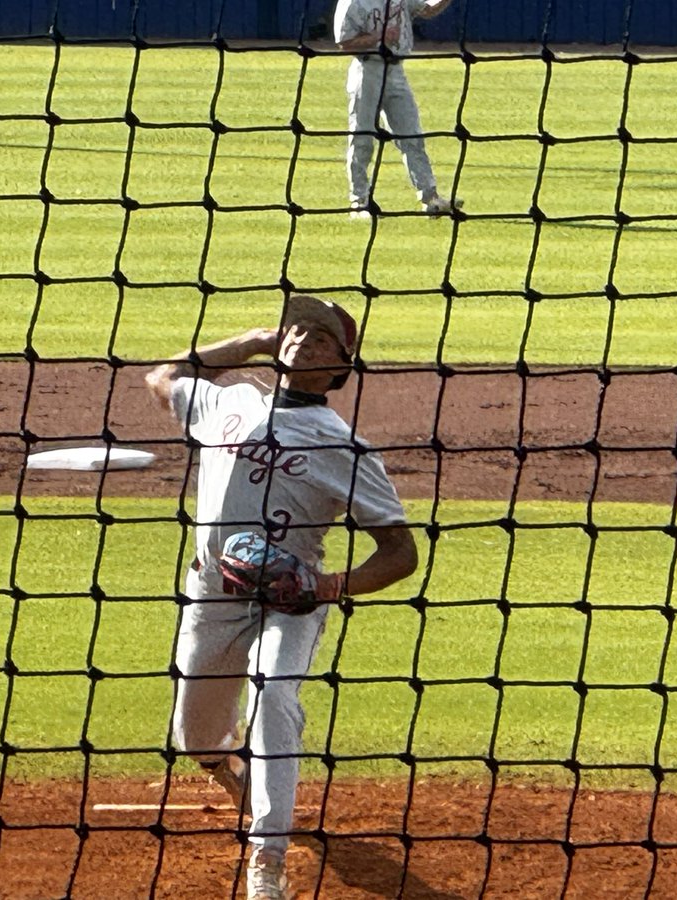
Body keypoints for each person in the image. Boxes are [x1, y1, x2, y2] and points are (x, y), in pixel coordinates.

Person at [144, 295, 419, 900]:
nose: (304, 339)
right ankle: (223, 766)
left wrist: (330, 586)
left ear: (340, 369)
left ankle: (267, 856)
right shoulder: (230, 401)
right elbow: (163, 378)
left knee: (274, 698)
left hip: (290, 602)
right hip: (211, 594)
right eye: (299, 329)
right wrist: (249, 340)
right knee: (193, 736)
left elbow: (400, 553)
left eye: (323, 339)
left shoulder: (343, 447)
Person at [333, 0, 461, 219]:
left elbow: (428, 10)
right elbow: (345, 43)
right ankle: (359, 203)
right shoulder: (352, 2)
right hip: (367, 70)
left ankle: (431, 199)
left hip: (395, 71)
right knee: (362, 137)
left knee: (412, 135)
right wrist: (379, 39)